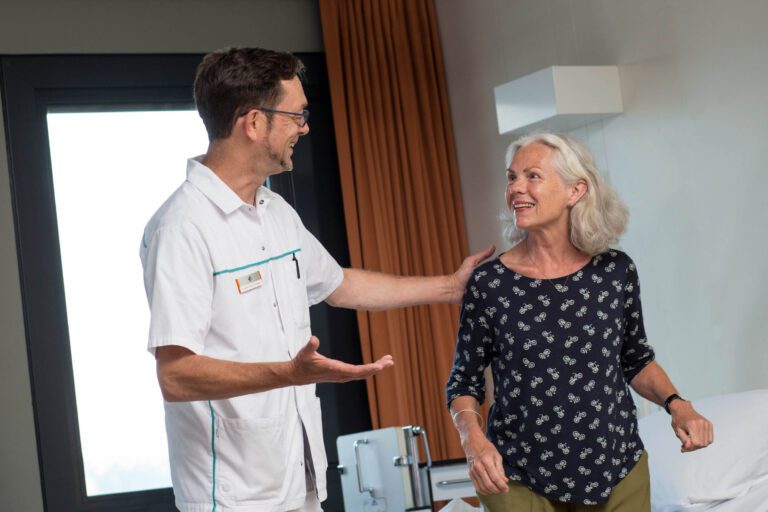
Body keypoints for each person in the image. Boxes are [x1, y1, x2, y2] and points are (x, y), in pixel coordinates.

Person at [140, 47, 493, 512]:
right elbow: (177, 375)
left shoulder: (274, 212)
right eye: (296, 116)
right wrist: (290, 373)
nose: (304, 128)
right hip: (232, 495)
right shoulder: (182, 227)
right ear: (253, 123)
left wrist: (449, 287)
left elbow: (338, 284)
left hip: (299, 479)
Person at [445, 133, 713, 511]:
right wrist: (472, 440)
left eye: (532, 176)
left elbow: (635, 359)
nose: (516, 188)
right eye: (512, 177)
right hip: (517, 476)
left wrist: (677, 404)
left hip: (617, 468)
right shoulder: (490, 284)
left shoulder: (615, 272)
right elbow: (464, 379)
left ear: (575, 191)